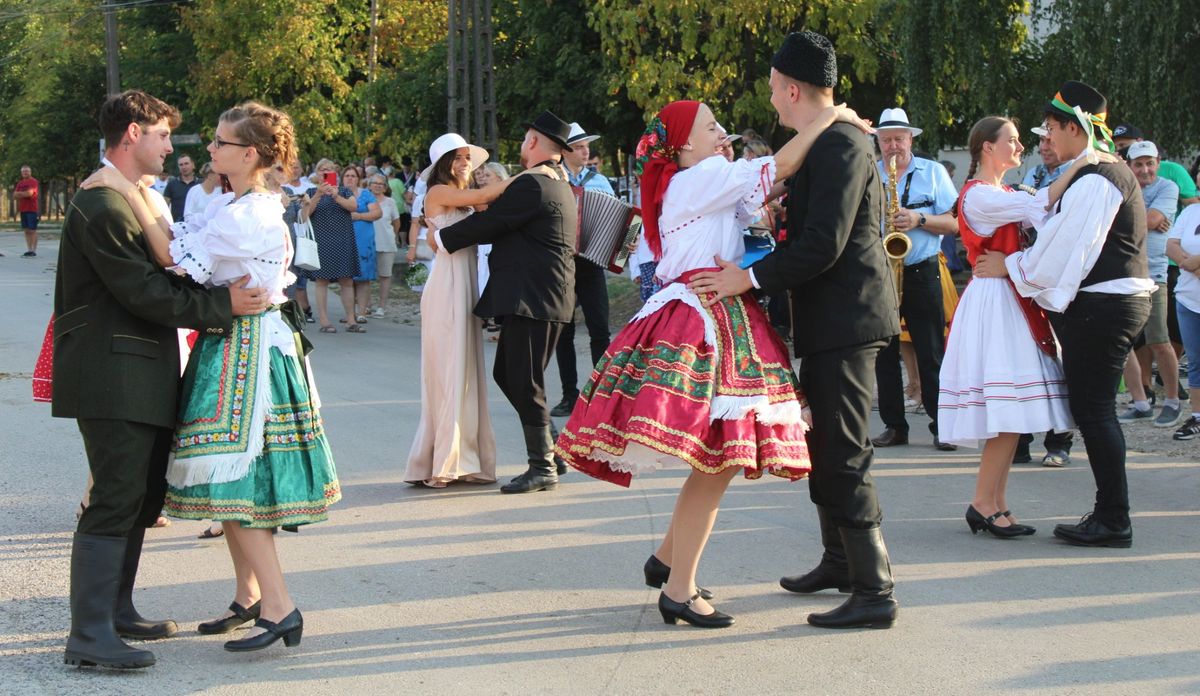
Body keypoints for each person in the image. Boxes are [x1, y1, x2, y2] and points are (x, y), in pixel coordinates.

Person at [558, 93, 856, 629]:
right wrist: (831, 117)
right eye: (711, 125)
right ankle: (678, 589)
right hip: (703, 315)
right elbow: (781, 165)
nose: (723, 132)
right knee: (715, 459)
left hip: (716, 309)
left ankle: (669, 561)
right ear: (682, 145)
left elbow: (772, 185)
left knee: (714, 456)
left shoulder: (704, 181)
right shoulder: (693, 181)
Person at [689, 31, 901, 630]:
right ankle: (838, 561)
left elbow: (824, 245)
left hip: (848, 317)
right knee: (827, 446)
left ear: (791, 88)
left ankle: (875, 590)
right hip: (832, 317)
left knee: (845, 453)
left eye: (774, 90)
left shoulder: (839, 143)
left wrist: (747, 280)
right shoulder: (827, 139)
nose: (772, 101)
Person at [55, 89, 268, 670]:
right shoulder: (102, 204)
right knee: (115, 496)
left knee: (142, 496)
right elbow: (142, 292)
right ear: (131, 135)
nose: (171, 146)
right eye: (162, 136)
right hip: (111, 373)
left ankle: (116, 611)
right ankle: (89, 634)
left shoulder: (136, 200)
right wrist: (226, 305)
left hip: (139, 371)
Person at [131, 101, 338, 653]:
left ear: (250, 153)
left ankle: (281, 606)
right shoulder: (235, 201)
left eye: (221, 143)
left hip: (250, 348)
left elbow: (173, 256)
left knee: (233, 480)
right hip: (239, 339)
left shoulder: (249, 214)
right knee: (233, 480)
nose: (211, 150)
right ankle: (250, 595)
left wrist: (134, 195)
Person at [975, 81, 1155, 549]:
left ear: (1076, 128)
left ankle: (1113, 518)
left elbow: (1062, 251)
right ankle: (1110, 512)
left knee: (1095, 412)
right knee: (1094, 411)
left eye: (1052, 129)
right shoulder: (1090, 173)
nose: (1046, 138)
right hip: (1106, 302)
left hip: (1104, 304)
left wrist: (1009, 267)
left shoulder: (1098, 178)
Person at [939, 116, 1083, 539]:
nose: (1021, 148)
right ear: (988, 147)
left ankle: (995, 502)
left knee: (1012, 413)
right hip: (995, 303)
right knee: (1007, 411)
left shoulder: (1000, 193)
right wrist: (1083, 162)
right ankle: (985, 502)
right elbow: (1044, 204)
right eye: (1014, 141)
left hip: (1008, 297)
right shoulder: (981, 196)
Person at [432, 111, 577, 494]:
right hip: (537, 296)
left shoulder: (533, 185)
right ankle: (551, 453)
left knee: (525, 382)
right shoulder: (551, 180)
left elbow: (489, 225)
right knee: (510, 375)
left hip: (535, 297)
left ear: (532, 142)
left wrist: (442, 241)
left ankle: (542, 465)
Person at [404, 134, 516, 487]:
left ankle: (466, 459)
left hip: (465, 288)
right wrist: (531, 174)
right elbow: (485, 195)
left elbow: (480, 213)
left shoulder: (463, 201)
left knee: (466, 372)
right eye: (458, 157)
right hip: (446, 290)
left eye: (468, 156)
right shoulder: (438, 192)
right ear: (443, 163)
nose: (466, 162)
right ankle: (443, 461)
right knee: (449, 372)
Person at [870, 107, 960, 452]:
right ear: (879, 141)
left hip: (922, 268)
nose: (893, 146)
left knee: (931, 350)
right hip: (882, 271)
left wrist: (919, 218)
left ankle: (942, 426)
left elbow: (953, 224)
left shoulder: (933, 172)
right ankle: (895, 426)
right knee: (885, 353)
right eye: (886, 139)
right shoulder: (871, 173)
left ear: (910, 139)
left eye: (899, 138)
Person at [1013, 120, 1076, 468]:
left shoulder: (1078, 176)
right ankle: (1020, 439)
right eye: (1041, 140)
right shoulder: (1034, 175)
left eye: (1050, 139)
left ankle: (1059, 441)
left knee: (1059, 361)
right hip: (1025, 280)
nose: (1045, 146)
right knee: (1024, 360)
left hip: (1056, 281)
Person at [549, 122, 614, 418]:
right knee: (564, 329)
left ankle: (601, 394)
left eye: (587, 146)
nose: (585, 151)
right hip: (562, 263)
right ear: (564, 151)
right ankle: (569, 395)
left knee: (600, 328)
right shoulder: (552, 179)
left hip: (592, 262)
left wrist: (625, 244)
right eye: (578, 146)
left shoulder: (599, 180)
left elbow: (623, 219)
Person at [1117, 141, 1182, 427]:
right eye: (1138, 164)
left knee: (1159, 340)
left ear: (1158, 162)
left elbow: (1152, 219)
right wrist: (1144, 220)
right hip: (1123, 273)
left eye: (1150, 163)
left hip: (1153, 274)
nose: (1145, 170)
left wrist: (1136, 220)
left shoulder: (1168, 188)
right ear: (1129, 165)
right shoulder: (1121, 186)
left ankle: (1172, 401)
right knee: (1122, 343)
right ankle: (1141, 402)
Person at [301, 159, 361, 333]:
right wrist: (319, 195)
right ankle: (325, 321)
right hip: (321, 241)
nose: (325, 173)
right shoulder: (311, 191)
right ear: (317, 173)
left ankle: (351, 320)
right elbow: (305, 215)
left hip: (343, 239)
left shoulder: (343, 190)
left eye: (329, 170)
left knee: (347, 280)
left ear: (335, 172)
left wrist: (335, 195)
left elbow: (353, 206)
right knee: (322, 281)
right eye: (322, 170)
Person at [1166, 202, 1200, 439]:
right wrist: (1190, 265)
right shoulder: (1190, 212)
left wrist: (1196, 262)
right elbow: (1170, 245)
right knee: (1196, 361)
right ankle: (1198, 416)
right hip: (1188, 299)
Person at [342, 165, 381, 323]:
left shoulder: (366, 195)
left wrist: (359, 216)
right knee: (346, 279)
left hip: (363, 241)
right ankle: (349, 314)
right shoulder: (337, 194)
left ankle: (362, 313)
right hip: (344, 241)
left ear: (358, 178)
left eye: (353, 175)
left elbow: (377, 213)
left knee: (363, 279)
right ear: (342, 178)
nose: (350, 178)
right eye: (347, 175)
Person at [367, 173, 401, 317]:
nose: (378, 186)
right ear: (369, 185)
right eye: (375, 183)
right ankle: (366, 305)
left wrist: (391, 234)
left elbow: (396, 222)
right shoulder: (365, 200)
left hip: (386, 243)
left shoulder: (390, 202)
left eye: (381, 184)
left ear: (385, 187)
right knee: (366, 277)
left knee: (385, 276)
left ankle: (381, 306)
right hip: (368, 243)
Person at [162, 154, 199, 222]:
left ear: (193, 165)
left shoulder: (201, 184)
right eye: (181, 165)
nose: (184, 167)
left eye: (186, 163)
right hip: (178, 226)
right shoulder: (172, 184)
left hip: (198, 225)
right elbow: (164, 207)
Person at [14, 165, 39, 257]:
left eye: (27, 171)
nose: (25, 173)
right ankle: (29, 249)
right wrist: (23, 194)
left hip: (32, 209)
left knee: (33, 230)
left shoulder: (33, 181)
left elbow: (30, 193)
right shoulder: (20, 183)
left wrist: (21, 194)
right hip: (23, 209)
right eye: (23, 171)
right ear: (21, 173)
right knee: (26, 230)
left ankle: (33, 250)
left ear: (30, 172)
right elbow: (14, 195)